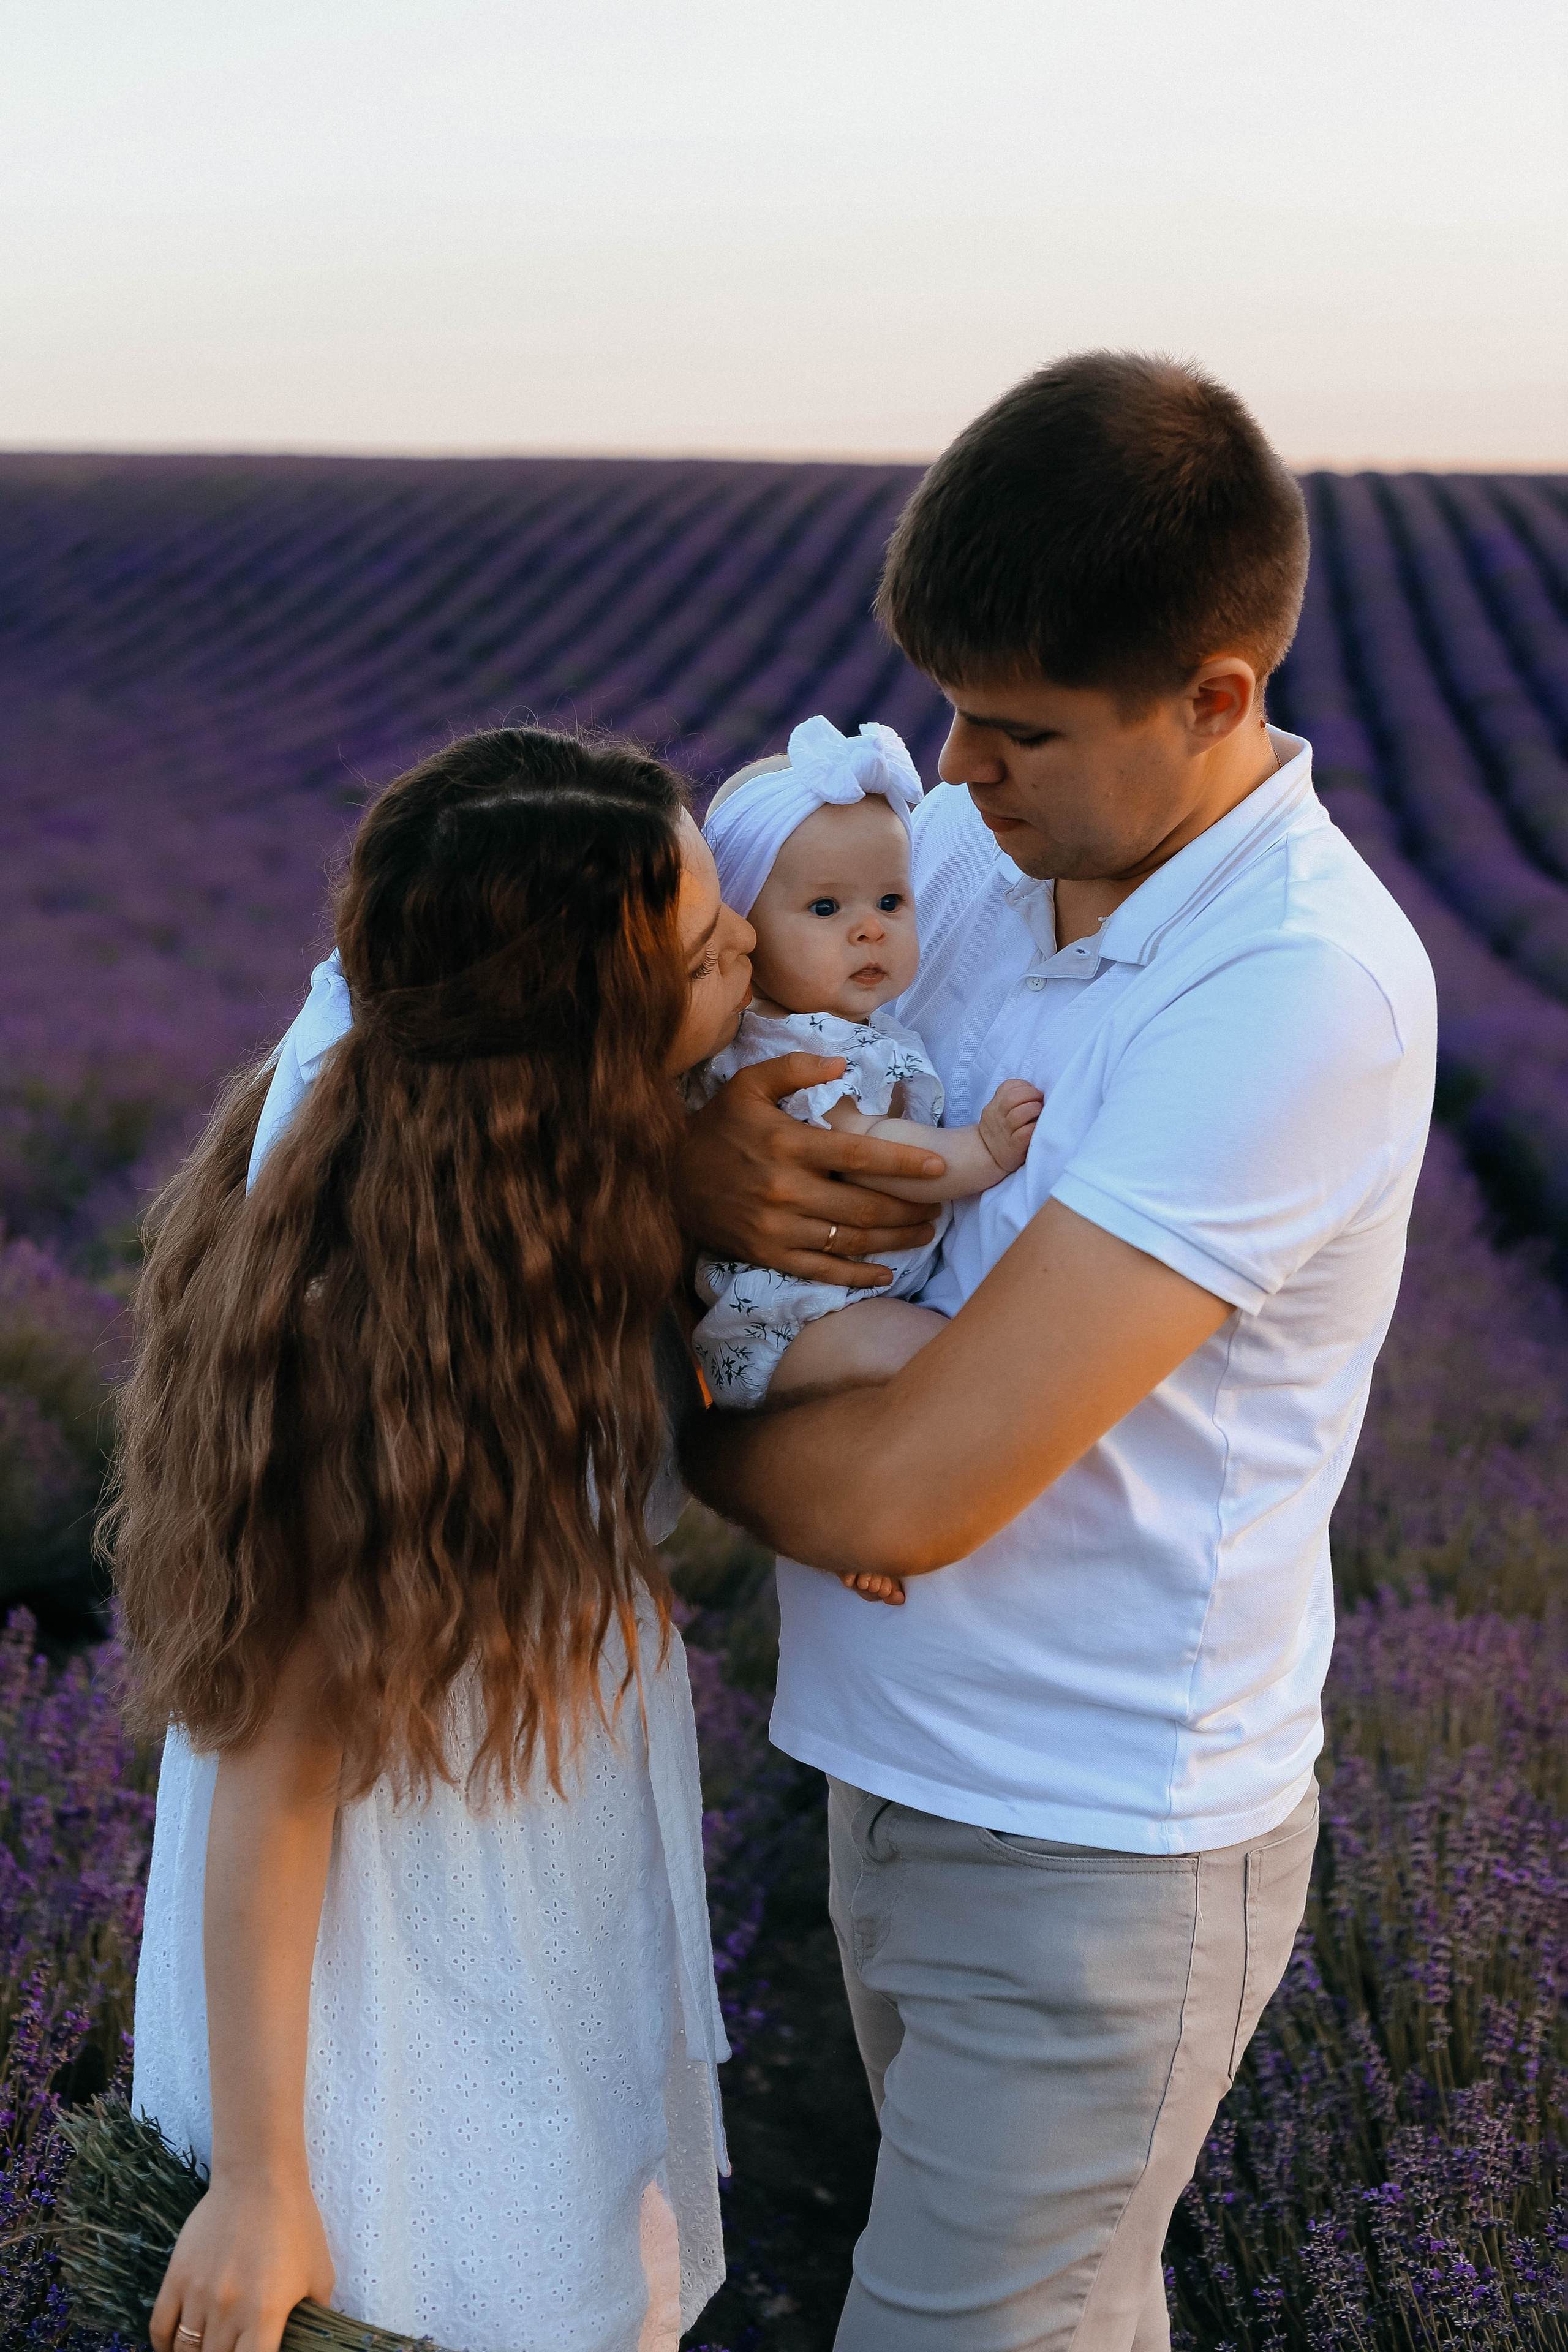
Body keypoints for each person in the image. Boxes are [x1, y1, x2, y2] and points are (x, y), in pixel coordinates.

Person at [678, 352, 1438, 2350]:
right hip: (896, 1768)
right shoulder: (985, 855)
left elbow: (918, 1491)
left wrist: (664, 1421)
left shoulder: (1293, 991)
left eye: (1018, 730)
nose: (957, 770)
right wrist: (704, 1163)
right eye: (948, 710)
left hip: (1097, 1846)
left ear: (1215, 699)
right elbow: (713, 1040)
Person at [107, 728, 756, 2352]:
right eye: (700, 945)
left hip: (524, 1932)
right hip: (405, 2003)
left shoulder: (532, 1233)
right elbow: (272, 1770)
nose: (747, 940)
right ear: (583, 1039)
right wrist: (263, 2184)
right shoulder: (371, 1337)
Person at [689, 712, 1041, 1411]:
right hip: (794, 1324)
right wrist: (978, 1151)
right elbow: (868, 1148)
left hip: (837, 1301)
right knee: (944, 1364)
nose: (870, 927)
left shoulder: (850, 1029)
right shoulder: (795, 1049)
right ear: (746, 931)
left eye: (890, 900)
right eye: (825, 907)